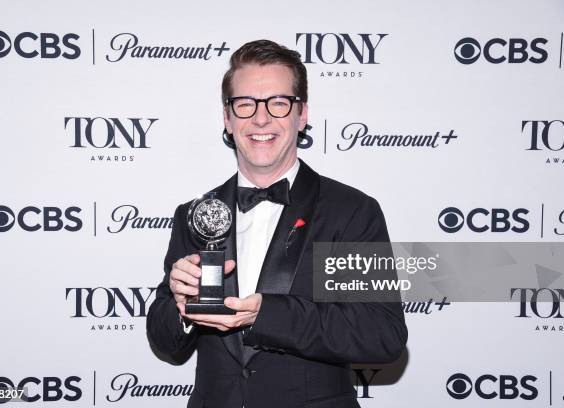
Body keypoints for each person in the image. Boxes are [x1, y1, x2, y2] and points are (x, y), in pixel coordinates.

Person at [146, 39, 407, 408]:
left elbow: (382, 334)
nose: (261, 118)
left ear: (302, 115)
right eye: (245, 103)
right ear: (227, 117)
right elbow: (164, 341)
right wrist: (179, 305)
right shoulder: (196, 214)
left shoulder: (351, 212)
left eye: (278, 103)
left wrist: (266, 315)